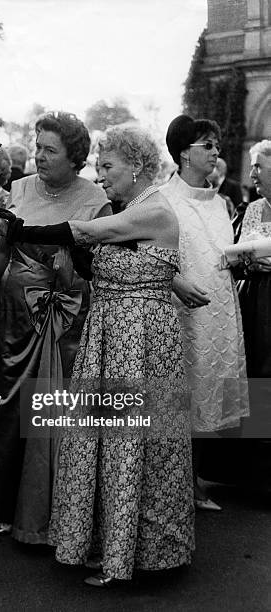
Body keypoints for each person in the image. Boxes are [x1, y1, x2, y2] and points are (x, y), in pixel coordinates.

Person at [0, 125, 194, 587]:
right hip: (110, 341)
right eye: (98, 164)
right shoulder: (133, 207)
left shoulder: (152, 209)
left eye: (108, 165)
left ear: (135, 167)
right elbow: (95, 257)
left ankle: (131, 558)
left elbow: (80, 231)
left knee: (136, 446)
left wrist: (16, 227)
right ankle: (115, 546)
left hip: (140, 346)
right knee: (112, 447)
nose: (101, 174)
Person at [0, 111, 110, 543]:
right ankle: (4, 506)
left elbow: (98, 267)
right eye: (37, 147)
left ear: (76, 158)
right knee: (8, 412)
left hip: (67, 327)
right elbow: (0, 256)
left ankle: (52, 516)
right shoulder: (16, 189)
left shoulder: (97, 201)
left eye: (50, 150)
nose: (40, 155)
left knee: (53, 417)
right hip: (13, 324)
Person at [160, 115, 249, 510]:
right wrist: (177, 283)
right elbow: (152, 256)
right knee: (175, 396)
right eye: (207, 146)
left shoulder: (220, 202)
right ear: (183, 153)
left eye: (216, 145)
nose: (216, 152)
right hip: (180, 311)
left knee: (208, 393)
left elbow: (221, 252)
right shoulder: (164, 201)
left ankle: (194, 480)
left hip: (219, 310)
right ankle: (170, 484)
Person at [236, 140, 271, 494]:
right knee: (257, 375)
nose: (252, 175)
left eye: (259, 166)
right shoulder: (253, 210)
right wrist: (249, 261)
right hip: (256, 298)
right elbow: (240, 254)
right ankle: (258, 477)